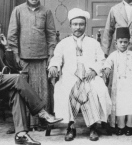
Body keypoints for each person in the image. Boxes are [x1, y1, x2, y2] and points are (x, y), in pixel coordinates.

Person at [0, 17, 62, 145]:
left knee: (17, 94)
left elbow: (10, 67)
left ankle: (21, 135)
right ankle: (42, 113)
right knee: (18, 78)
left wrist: (6, 48)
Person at [48, 8, 112, 141]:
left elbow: (101, 60)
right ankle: (70, 127)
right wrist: (54, 66)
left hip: (90, 77)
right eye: (75, 24)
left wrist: (94, 70)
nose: (78, 27)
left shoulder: (93, 43)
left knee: (93, 91)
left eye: (81, 24)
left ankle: (93, 127)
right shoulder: (63, 44)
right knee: (66, 91)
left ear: (85, 25)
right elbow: (56, 58)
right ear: (70, 25)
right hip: (69, 77)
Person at [7, 0, 56, 130]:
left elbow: (51, 35)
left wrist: (50, 55)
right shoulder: (18, 10)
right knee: (26, 90)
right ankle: (26, 124)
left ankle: (42, 123)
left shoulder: (46, 12)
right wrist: (16, 55)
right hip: (24, 58)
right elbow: (12, 35)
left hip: (42, 58)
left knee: (43, 90)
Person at [104, 27, 132, 136]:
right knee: (120, 107)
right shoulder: (113, 55)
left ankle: (129, 126)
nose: (123, 44)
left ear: (129, 43)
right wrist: (107, 68)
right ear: (116, 43)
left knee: (130, 106)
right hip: (119, 87)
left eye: (125, 42)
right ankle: (120, 126)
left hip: (130, 86)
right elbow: (107, 63)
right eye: (120, 42)